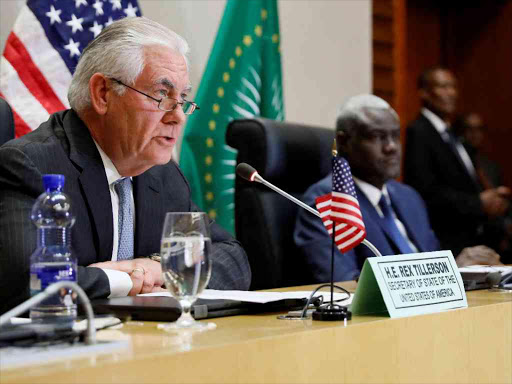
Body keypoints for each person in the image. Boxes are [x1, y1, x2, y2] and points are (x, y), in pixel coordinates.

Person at [0, 17, 251, 314]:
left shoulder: (163, 176)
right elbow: (26, 283)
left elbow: (233, 259)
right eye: (161, 95)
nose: (178, 116)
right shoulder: (32, 166)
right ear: (103, 94)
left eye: (182, 99)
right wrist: (124, 278)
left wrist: (154, 269)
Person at [294, 94, 501, 282]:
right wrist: (452, 271)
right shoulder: (331, 200)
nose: (391, 146)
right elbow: (344, 286)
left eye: (395, 135)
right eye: (377, 136)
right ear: (344, 141)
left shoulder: (408, 197)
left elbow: (432, 263)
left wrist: (468, 274)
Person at [404, 67, 510, 257]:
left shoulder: (452, 134)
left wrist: (491, 198)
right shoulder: (419, 131)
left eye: (453, 87)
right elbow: (424, 191)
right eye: (443, 87)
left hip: (477, 237)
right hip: (448, 242)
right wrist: (477, 202)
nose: (451, 93)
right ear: (425, 93)